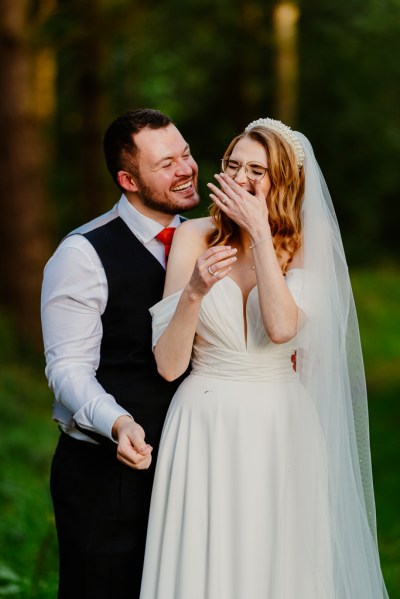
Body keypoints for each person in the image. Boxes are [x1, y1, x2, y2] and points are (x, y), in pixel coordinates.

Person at [139, 118, 389, 599]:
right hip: (202, 422)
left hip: (280, 426)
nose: (241, 177)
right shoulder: (193, 237)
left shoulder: (306, 249)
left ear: (284, 182)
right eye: (233, 165)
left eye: (258, 169)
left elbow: (281, 328)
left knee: (277, 562)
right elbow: (168, 366)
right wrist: (193, 292)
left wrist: (258, 231)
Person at [40, 108, 200, 599]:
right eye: (166, 163)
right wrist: (118, 422)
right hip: (107, 478)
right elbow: (67, 368)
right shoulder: (82, 254)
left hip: (192, 468)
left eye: (186, 153)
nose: (187, 168)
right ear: (128, 179)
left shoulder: (204, 238)